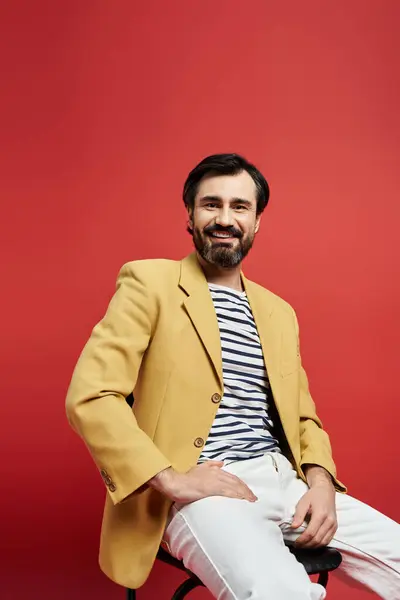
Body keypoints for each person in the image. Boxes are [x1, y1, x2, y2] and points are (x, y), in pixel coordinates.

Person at [66, 153, 400, 599]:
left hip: (289, 483)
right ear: (190, 214)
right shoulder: (150, 283)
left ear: (258, 220)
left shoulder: (279, 313)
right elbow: (92, 395)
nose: (225, 218)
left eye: (240, 207)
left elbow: (304, 420)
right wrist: (172, 480)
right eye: (211, 205)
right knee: (283, 594)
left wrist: (321, 485)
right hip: (203, 491)